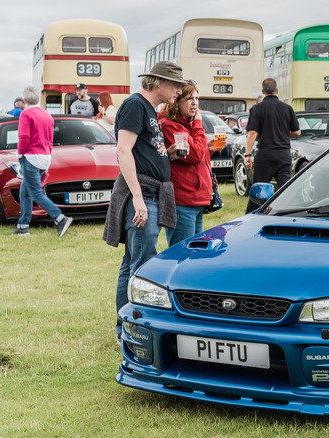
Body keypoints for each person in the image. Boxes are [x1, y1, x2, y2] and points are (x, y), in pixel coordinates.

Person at [102, 61, 184, 341]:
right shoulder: (135, 105)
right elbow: (123, 151)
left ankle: (125, 327)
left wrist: (168, 154)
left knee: (133, 263)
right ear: (158, 82)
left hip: (152, 193)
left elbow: (143, 150)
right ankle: (131, 329)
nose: (179, 89)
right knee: (141, 266)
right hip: (143, 195)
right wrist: (137, 198)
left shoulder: (149, 109)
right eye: (176, 84)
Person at [158, 81, 220, 247]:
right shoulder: (170, 125)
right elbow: (195, 155)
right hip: (183, 201)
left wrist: (208, 149)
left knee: (196, 251)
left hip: (197, 200)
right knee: (182, 253)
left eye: (197, 98)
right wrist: (198, 125)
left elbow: (195, 155)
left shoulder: (188, 125)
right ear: (176, 102)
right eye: (189, 99)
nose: (195, 103)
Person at [12, 85, 74, 237]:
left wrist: (20, 154)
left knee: (35, 192)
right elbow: (50, 139)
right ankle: (23, 225)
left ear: (25, 100)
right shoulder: (47, 115)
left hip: (31, 156)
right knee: (25, 191)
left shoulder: (26, 114)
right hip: (45, 156)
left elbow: (24, 137)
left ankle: (60, 218)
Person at [243, 78, 300, 214]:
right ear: (277, 90)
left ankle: (252, 217)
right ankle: (289, 214)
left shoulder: (257, 109)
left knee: (259, 191)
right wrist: (284, 136)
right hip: (284, 154)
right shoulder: (287, 108)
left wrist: (247, 154)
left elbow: (252, 133)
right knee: (286, 189)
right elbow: (297, 132)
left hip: (265, 155)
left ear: (263, 92)